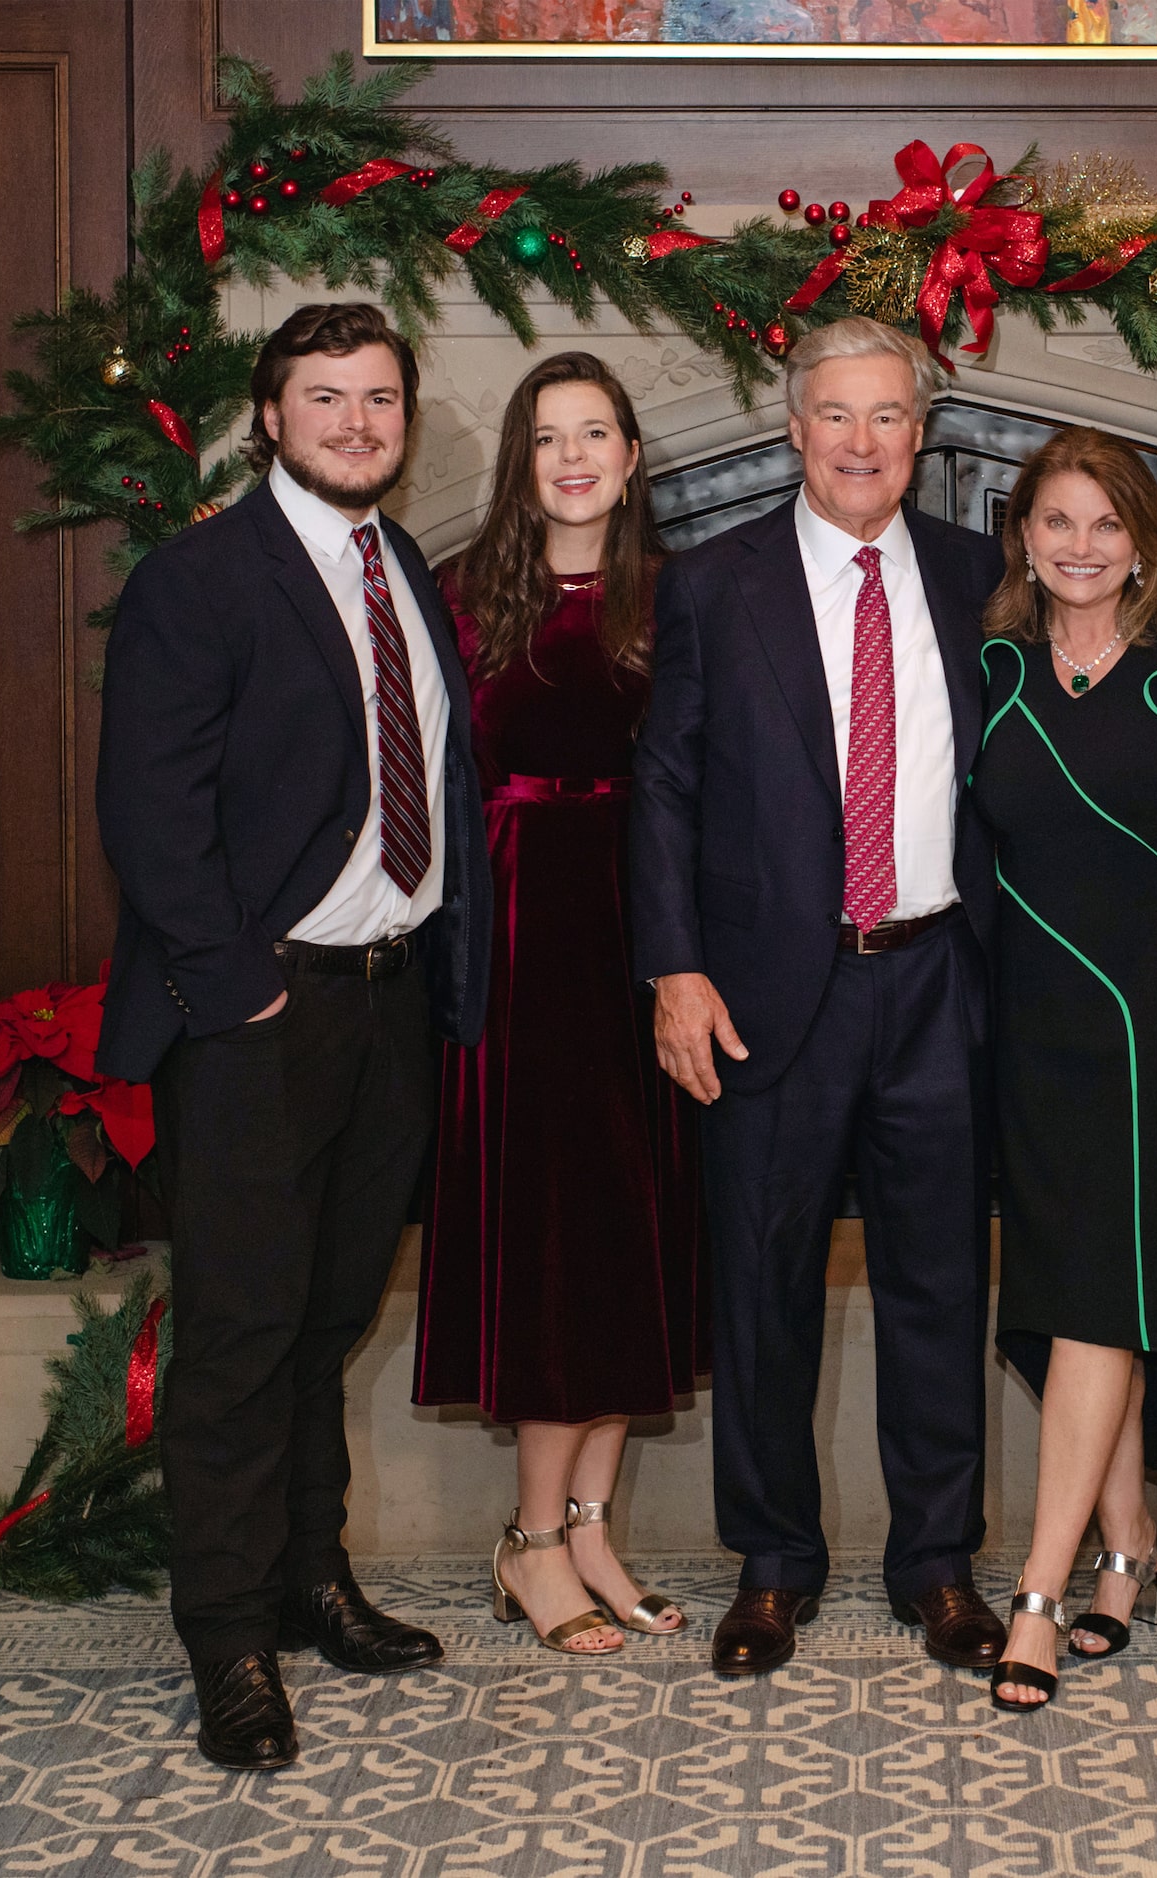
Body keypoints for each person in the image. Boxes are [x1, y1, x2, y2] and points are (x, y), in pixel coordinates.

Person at [94, 303, 488, 1771]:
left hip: (388, 1005)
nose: (356, 422)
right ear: (271, 415)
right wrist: (232, 982)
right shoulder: (199, 579)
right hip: (266, 1010)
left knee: (329, 1315)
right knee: (245, 1333)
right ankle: (227, 1635)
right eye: (325, 398)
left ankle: (313, 1579)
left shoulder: (410, 576)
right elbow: (149, 807)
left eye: (379, 398)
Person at [630, 316, 1009, 1678]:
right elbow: (665, 785)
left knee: (935, 1284)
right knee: (764, 1286)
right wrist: (673, 968)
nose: (862, 442)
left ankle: (939, 1563)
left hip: (934, 982)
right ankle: (773, 1561)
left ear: (922, 432)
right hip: (763, 993)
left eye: (888, 416)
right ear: (794, 428)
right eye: (836, 416)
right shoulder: (711, 585)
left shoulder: (980, 573)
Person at [413, 352, 704, 1657]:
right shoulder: (465, 599)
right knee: (549, 1249)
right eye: (548, 437)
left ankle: (590, 1524)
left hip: (648, 941)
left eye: (597, 433)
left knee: (626, 1240)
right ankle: (529, 1540)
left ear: (634, 455)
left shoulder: (675, 599)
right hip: (522, 945)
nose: (575, 456)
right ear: (520, 462)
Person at [970, 429, 1157, 1713]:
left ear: (1144, 545)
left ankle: (1036, 1584)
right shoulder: (994, 669)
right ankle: (1130, 1543)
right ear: (1022, 533)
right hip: (1035, 1020)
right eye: (1056, 522)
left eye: (1107, 526)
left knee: (1095, 1295)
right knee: (1084, 1287)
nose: (1080, 547)